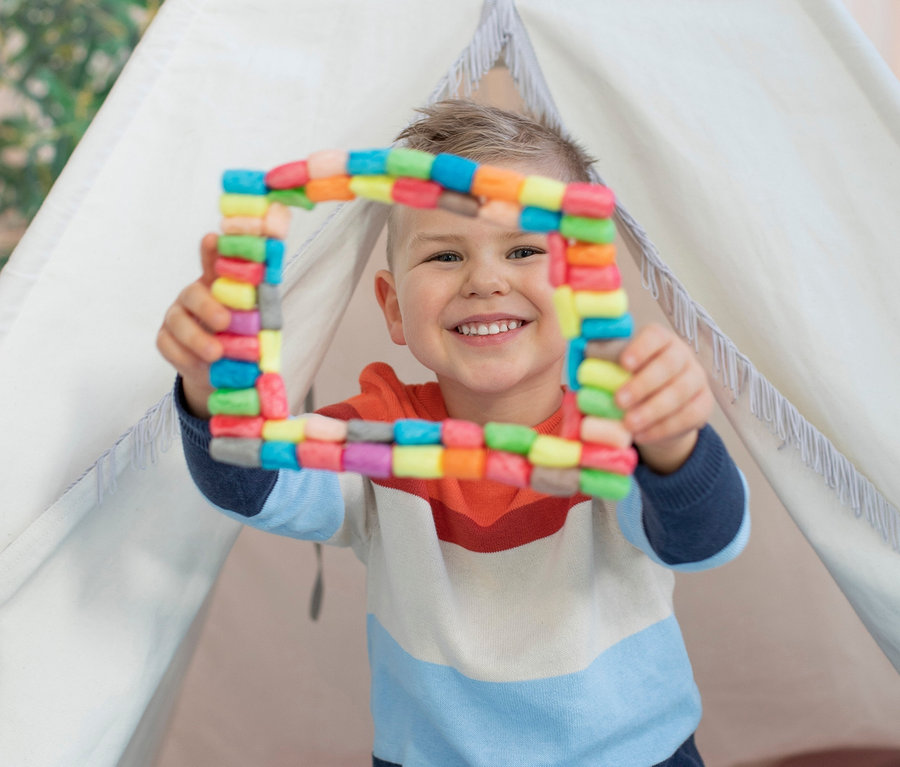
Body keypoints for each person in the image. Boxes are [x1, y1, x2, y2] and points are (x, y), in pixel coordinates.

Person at [157, 100, 749, 767]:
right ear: (393, 308)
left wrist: (672, 445)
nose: (486, 280)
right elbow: (249, 482)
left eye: (524, 249)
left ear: (584, 283)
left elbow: (703, 540)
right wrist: (214, 387)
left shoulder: (617, 429)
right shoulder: (377, 432)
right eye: (444, 254)